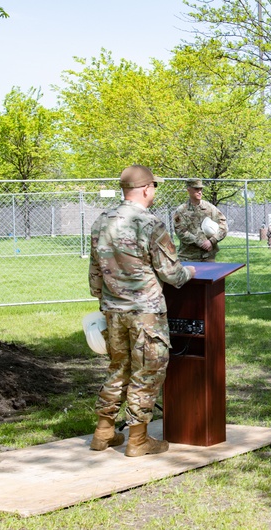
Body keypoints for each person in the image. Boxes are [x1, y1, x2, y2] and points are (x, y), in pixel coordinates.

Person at [88, 165, 196, 457]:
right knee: (147, 371)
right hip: (145, 312)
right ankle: (137, 440)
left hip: (113, 310)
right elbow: (171, 274)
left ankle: (103, 432)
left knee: (118, 368)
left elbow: (95, 275)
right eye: (154, 188)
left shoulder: (101, 222)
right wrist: (190, 271)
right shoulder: (150, 224)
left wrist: (105, 299)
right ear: (147, 189)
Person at [172, 179, 228, 262]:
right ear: (189, 190)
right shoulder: (181, 211)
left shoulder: (210, 208)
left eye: (201, 189)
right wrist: (200, 242)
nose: (199, 192)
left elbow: (223, 226)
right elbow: (181, 231)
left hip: (208, 256)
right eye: (196, 189)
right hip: (189, 257)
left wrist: (212, 241)